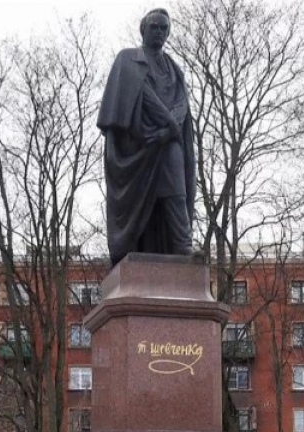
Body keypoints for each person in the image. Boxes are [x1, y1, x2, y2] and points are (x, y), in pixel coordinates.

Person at [97, 8, 196, 266]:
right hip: (139, 146)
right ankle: (134, 251)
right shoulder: (128, 61)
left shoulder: (174, 68)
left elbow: (182, 102)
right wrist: (164, 126)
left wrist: (170, 129)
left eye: (164, 28)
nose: (160, 32)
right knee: (143, 202)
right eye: (155, 27)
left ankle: (183, 246)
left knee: (176, 192)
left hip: (168, 143)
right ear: (143, 29)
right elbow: (130, 103)